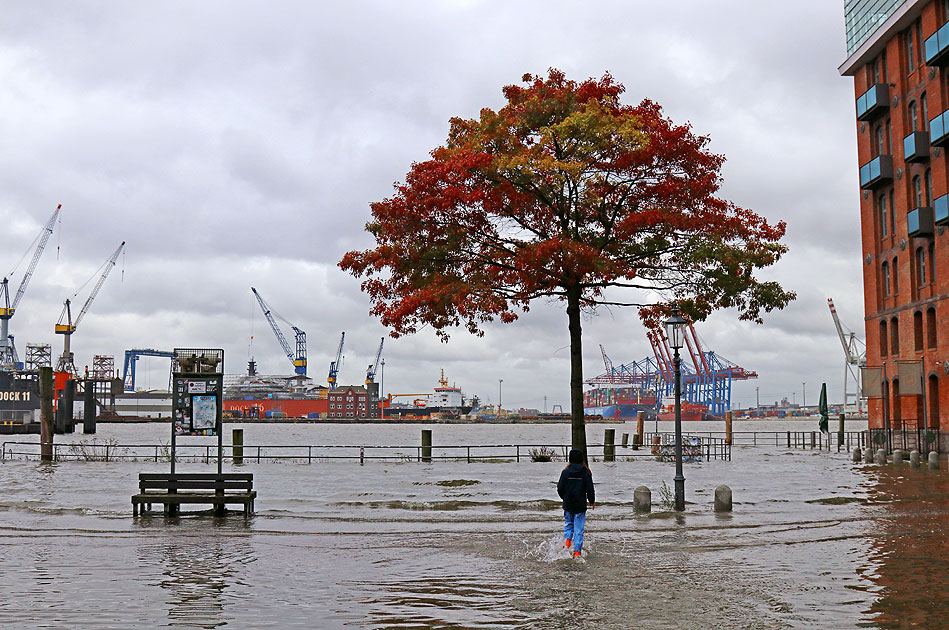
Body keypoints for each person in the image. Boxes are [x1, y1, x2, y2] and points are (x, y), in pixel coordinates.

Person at [557, 448, 595, 558]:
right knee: (579, 528)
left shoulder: (565, 472)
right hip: (580, 504)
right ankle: (577, 552)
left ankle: (567, 543)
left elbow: (560, 488)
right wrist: (591, 501)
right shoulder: (585, 472)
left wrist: (564, 498)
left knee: (569, 524)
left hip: (568, 503)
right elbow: (590, 489)